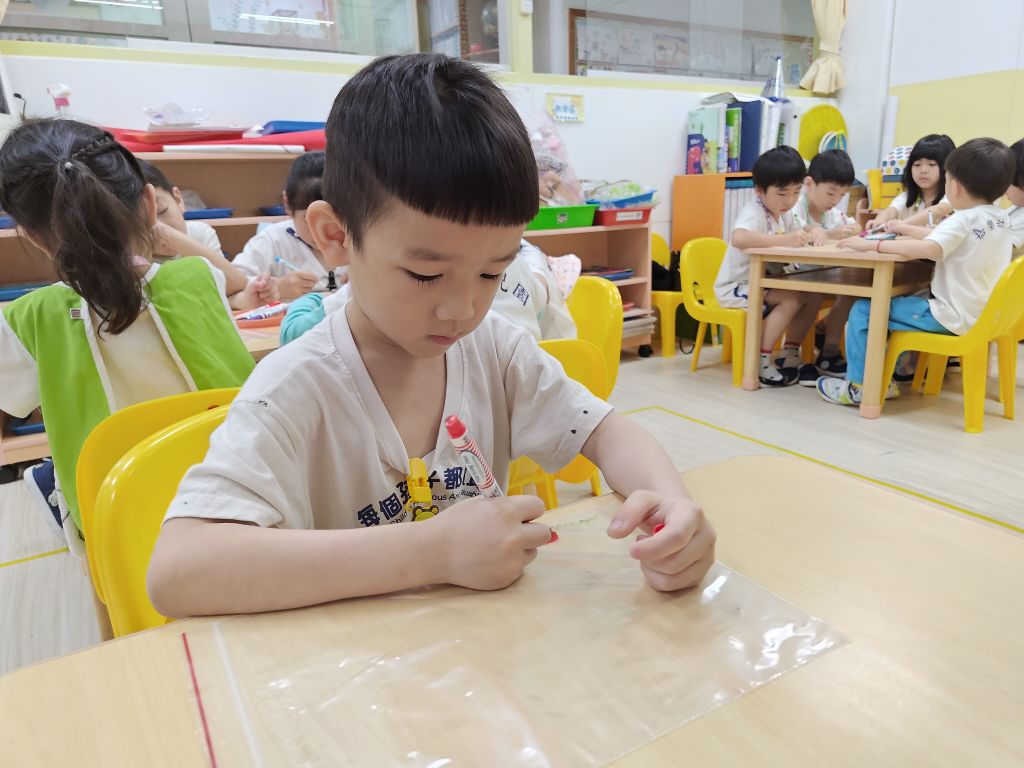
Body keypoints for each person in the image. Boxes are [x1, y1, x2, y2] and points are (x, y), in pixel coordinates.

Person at [147, 54, 716, 617]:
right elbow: (178, 570)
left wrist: (673, 509)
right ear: (335, 236)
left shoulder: (494, 349)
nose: (462, 309)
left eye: (492, 274)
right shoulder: (293, 389)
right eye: (425, 274)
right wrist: (431, 552)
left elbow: (607, 432)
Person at [0, 120, 255, 549]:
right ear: (151, 205)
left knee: (53, 477)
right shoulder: (201, 277)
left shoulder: (26, 320)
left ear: (33, 238)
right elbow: (238, 284)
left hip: (118, 533)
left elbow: (11, 404)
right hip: (243, 499)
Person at [819, 138, 1016, 406]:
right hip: (984, 316)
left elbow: (930, 248)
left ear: (955, 186)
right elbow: (945, 238)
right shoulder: (1000, 218)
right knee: (904, 301)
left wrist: (872, 245)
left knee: (865, 310)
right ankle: (887, 375)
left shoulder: (963, 218)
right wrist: (903, 228)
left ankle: (860, 386)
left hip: (952, 316)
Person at [713, 146, 823, 387]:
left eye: (796, 192)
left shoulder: (785, 213)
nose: (790, 200)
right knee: (791, 300)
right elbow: (739, 238)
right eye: (782, 193)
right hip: (737, 287)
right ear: (760, 191)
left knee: (813, 294)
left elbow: (800, 228)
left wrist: (814, 230)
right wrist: (784, 240)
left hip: (766, 283)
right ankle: (760, 361)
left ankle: (789, 353)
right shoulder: (754, 211)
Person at [137, 159, 278, 310]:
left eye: (161, 211)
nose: (156, 228)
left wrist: (243, 300)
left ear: (178, 199)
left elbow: (230, 286)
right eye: (141, 223)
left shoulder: (200, 233)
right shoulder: (136, 255)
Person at [233, 151, 347, 300]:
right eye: (309, 220)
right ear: (287, 204)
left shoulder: (361, 239)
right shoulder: (272, 241)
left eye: (338, 219)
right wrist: (277, 288)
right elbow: (231, 284)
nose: (323, 232)